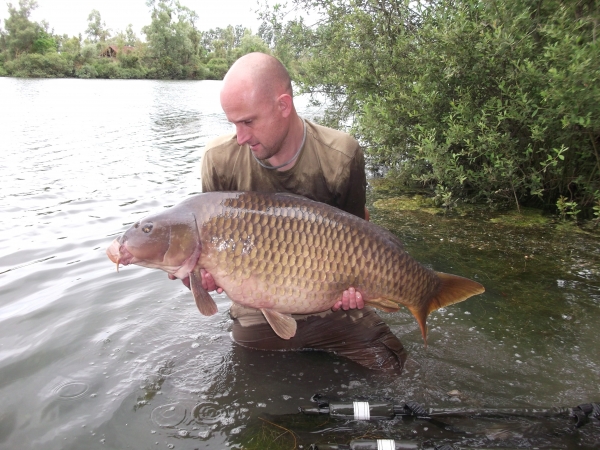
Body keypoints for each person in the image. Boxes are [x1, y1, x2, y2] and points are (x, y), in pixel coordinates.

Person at [194, 52, 407, 372]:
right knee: (254, 383)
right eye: (233, 124)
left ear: (283, 105)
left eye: (248, 121)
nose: (240, 137)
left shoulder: (341, 156)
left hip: (330, 299)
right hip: (259, 307)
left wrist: (357, 291)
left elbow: (361, 240)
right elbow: (209, 248)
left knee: (395, 367)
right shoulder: (219, 160)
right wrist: (199, 275)